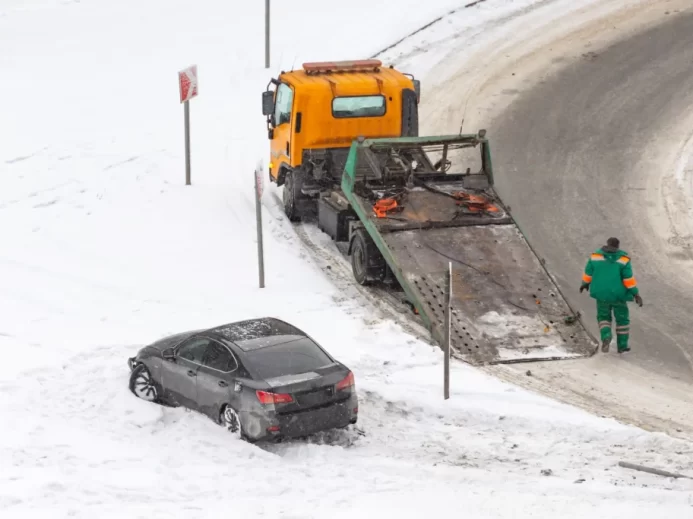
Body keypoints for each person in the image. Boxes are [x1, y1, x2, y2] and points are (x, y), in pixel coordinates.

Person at [579, 237, 643, 353]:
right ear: (618, 246)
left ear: (607, 244)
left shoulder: (595, 257)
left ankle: (606, 336)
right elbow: (628, 279)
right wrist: (636, 294)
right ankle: (622, 345)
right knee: (622, 320)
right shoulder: (623, 260)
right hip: (618, 295)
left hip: (601, 294)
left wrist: (585, 284)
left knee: (603, 317)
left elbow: (588, 272)